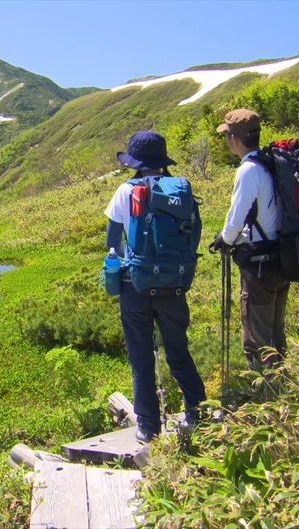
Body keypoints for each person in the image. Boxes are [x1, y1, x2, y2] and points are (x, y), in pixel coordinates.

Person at [105, 131, 207, 444]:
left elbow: (112, 243)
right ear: (162, 160)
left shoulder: (126, 190)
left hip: (135, 287)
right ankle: (199, 416)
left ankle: (148, 428)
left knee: (141, 358)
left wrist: (135, 260)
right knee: (178, 351)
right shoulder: (181, 189)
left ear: (134, 163)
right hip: (174, 284)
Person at [212, 109, 288, 370]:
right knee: (275, 332)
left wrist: (225, 238)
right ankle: (284, 383)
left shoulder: (248, 170)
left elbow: (235, 220)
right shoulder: (270, 163)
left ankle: (264, 388)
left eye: (226, 136)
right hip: (281, 256)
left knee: (257, 338)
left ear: (234, 139)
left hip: (258, 265)